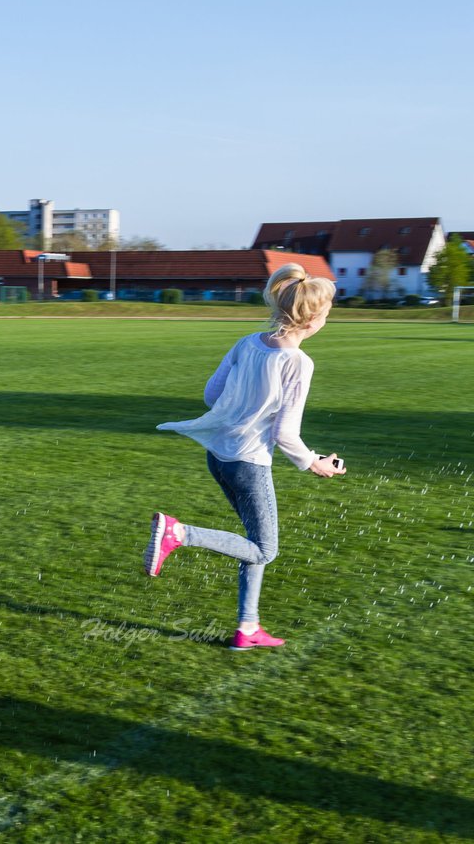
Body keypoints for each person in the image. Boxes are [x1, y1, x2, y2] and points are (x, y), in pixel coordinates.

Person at [143, 263, 345, 651]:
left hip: (219, 457)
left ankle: (248, 627)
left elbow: (211, 396)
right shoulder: (299, 363)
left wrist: (245, 410)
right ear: (314, 318)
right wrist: (314, 462)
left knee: (252, 543)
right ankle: (179, 533)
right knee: (266, 549)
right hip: (249, 464)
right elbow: (284, 433)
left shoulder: (247, 342)